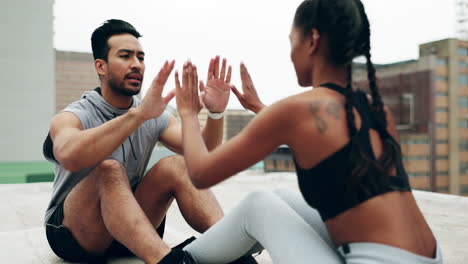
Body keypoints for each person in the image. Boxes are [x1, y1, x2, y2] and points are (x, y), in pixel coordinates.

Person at [173, 0, 443, 263]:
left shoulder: (297, 110)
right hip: (429, 256)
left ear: (312, 40)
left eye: (292, 42)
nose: (290, 54)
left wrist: (188, 113)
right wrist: (259, 108)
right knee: (280, 197)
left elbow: (200, 174)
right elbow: (328, 143)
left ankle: (179, 262)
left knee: (258, 205)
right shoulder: (374, 109)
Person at [42, 19, 256, 264]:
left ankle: (233, 251)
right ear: (101, 66)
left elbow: (203, 151)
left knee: (176, 165)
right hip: (75, 235)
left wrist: (216, 114)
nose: (136, 65)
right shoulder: (74, 115)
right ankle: (169, 262)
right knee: (108, 169)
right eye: (125, 56)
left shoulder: (153, 115)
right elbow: (70, 154)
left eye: (140, 57)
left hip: (128, 231)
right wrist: (138, 115)